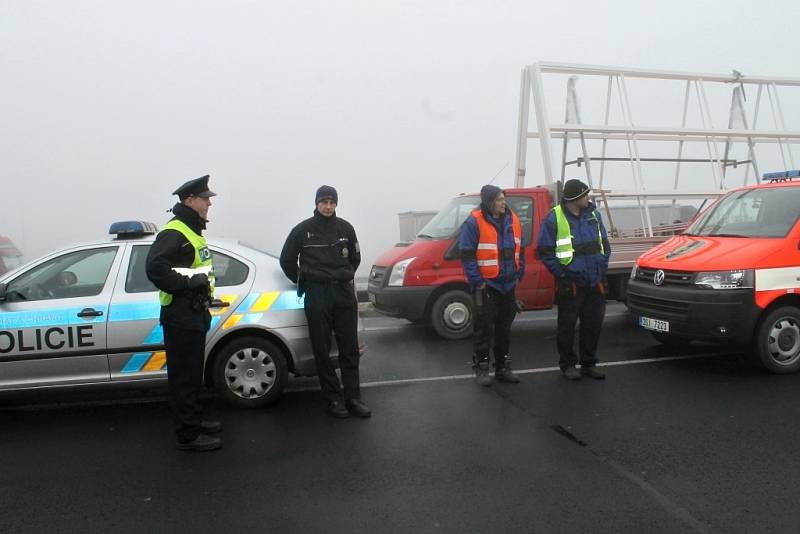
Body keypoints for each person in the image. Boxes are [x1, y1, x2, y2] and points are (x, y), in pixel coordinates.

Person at [146, 174, 223, 451]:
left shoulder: (190, 231)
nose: (208, 205)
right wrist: (189, 284)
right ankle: (188, 435)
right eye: (205, 199)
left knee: (193, 375)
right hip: (180, 315)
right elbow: (155, 268)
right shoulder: (175, 232)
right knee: (183, 377)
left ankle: (194, 419)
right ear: (190, 200)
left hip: (193, 313)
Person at [279, 185, 369, 418]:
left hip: (343, 294)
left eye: (332, 202)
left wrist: (343, 276)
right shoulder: (302, 230)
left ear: (336, 204)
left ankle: (353, 398)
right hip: (317, 295)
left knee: (349, 348)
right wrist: (303, 280)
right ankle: (333, 399)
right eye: (324, 202)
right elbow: (287, 260)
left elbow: (355, 259)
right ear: (317, 203)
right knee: (321, 348)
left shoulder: (345, 228)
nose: (328, 206)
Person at [537, 178, 611, 380]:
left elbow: (604, 243)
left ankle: (589, 363)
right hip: (571, 282)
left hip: (594, 280)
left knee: (593, 324)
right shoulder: (554, 218)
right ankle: (568, 364)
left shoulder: (594, 215)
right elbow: (544, 251)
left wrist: (602, 266)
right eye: (585, 194)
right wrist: (562, 274)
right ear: (575, 198)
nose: (588, 198)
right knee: (567, 326)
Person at [459, 185, 525, 386]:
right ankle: (482, 367)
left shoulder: (513, 219)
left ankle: (503, 367)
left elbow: (519, 250)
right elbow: (467, 255)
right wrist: (477, 281)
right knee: (483, 329)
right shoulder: (474, 221)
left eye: (503, 198)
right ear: (489, 202)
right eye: (498, 199)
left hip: (508, 285)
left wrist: (518, 272)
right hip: (487, 286)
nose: (503, 202)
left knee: (504, 329)